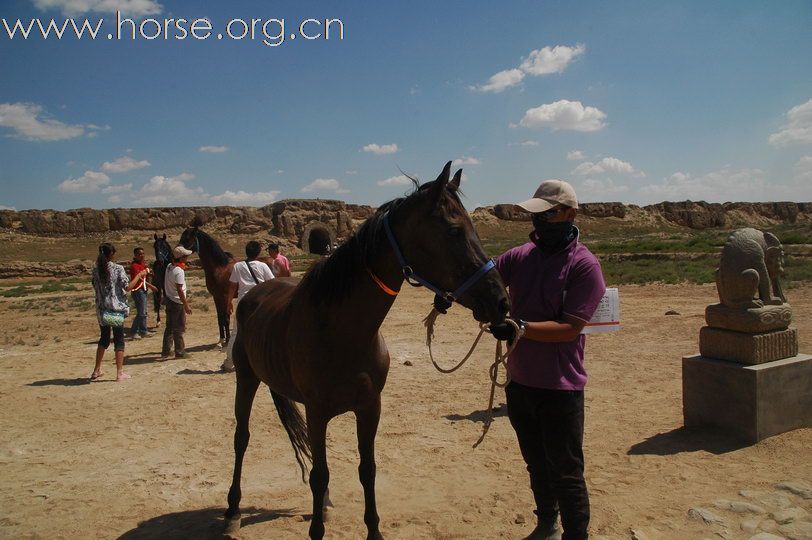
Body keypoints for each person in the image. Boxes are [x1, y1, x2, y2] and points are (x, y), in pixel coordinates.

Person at [490, 180, 606, 540]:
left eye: (547, 213)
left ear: (569, 214)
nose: (538, 221)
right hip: (519, 382)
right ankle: (546, 525)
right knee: (536, 465)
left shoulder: (585, 266)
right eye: (535, 214)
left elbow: (571, 328)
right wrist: (448, 290)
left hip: (559, 388)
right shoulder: (519, 256)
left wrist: (518, 328)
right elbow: (486, 278)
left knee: (567, 473)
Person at [91, 242, 150, 381]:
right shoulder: (117, 269)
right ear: (111, 254)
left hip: (101, 309)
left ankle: (96, 370)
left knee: (104, 339)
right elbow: (128, 287)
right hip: (114, 309)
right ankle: (119, 373)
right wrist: (140, 275)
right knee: (119, 340)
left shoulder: (95, 269)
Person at [222, 240, 274, 372]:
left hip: (243, 301)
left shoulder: (238, 266)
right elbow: (273, 283)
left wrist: (229, 303)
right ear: (258, 253)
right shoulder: (263, 266)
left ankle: (229, 362)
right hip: (260, 301)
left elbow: (233, 286)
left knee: (236, 332)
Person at [161, 245, 193, 360]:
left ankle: (165, 351)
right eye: (185, 256)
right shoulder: (179, 271)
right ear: (181, 257)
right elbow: (179, 290)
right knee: (179, 327)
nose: (187, 258)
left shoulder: (169, 266)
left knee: (169, 326)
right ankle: (179, 351)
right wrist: (186, 305)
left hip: (169, 299)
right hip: (177, 302)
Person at [129, 247, 159, 339]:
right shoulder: (134, 266)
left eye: (143, 253)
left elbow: (146, 274)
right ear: (135, 255)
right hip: (138, 290)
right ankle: (134, 331)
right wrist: (151, 286)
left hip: (143, 290)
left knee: (143, 311)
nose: (142, 255)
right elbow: (140, 278)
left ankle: (143, 330)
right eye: (139, 254)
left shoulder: (142, 265)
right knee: (141, 312)